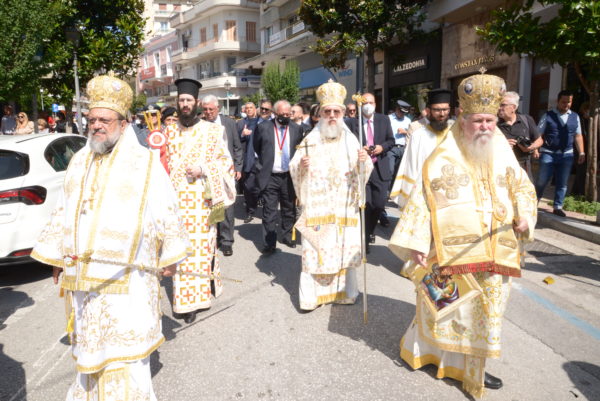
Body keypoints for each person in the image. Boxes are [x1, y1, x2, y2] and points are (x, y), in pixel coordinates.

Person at [30, 73, 190, 400]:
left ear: (123, 123)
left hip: (128, 277)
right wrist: (57, 257)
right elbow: (64, 209)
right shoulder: (79, 161)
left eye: (105, 120)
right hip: (84, 278)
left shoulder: (144, 162)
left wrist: (171, 256)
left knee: (124, 351)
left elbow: (166, 207)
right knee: (91, 347)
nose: (97, 126)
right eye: (92, 120)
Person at [389, 73, 537, 398]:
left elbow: (523, 188)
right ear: (462, 117)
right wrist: (417, 242)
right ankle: (434, 356)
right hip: (451, 251)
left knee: (486, 312)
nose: (485, 127)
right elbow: (423, 199)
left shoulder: (502, 151)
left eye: (490, 120)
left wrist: (525, 216)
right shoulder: (443, 155)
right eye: (477, 120)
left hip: (496, 249)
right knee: (445, 308)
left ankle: (474, 369)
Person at [290, 80, 372, 311]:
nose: (332, 116)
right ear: (321, 114)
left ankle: (345, 293)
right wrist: (302, 166)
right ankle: (312, 297)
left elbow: (364, 170)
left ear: (343, 113)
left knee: (343, 251)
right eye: (328, 111)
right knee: (316, 252)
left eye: (337, 111)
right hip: (319, 209)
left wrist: (363, 163)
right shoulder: (311, 139)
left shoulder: (351, 139)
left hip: (344, 207)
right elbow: (294, 167)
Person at [165, 78, 236, 323]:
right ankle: (185, 302)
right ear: (177, 103)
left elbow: (226, 164)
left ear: (196, 102)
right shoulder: (167, 132)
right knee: (180, 251)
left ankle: (199, 296)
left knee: (200, 252)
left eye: (189, 100)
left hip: (202, 203)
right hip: (175, 204)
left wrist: (203, 169)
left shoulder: (213, 131)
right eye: (181, 100)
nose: (185, 104)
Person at [253, 100, 304, 254]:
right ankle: (269, 243)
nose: (285, 117)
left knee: (289, 208)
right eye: (282, 114)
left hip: (289, 176)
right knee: (270, 210)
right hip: (270, 175)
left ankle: (287, 236)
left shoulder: (296, 128)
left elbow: (299, 149)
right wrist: (262, 166)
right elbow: (257, 147)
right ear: (275, 113)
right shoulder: (263, 127)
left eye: (288, 114)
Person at [390, 89, 453, 208]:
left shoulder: (456, 133)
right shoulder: (418, 136)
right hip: (424, 193)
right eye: (437, 110)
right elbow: (410, 168)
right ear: (428, 111)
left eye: (445, 109)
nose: (442, 114)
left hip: (452, 193)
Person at [201, 94, 243, 257]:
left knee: (227, 207)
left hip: (226, 171)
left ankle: (226, 241)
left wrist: (238, 167)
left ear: (218, 108)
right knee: (211, 206)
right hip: (207, 172)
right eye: (205, 109)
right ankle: (213, 238)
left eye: (211, 109)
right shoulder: (200, 124)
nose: (208, 112)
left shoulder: (229, 123)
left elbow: (237, 147)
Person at [535, 90, 585, 217]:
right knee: (542, 181)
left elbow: (578, 136)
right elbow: (539, 133)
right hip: (548, 152)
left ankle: (558, 206)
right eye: (563, 102)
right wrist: (535, 149)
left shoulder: (575, 116)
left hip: (567, 154)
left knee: (562, 183)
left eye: (569, 102)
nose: (566, 104)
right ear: (558, 101)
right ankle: (534, 202)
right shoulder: (548, 115)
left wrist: (581, 152)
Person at [358, 93, 394, 252]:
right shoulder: (353, 122)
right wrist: (360, 149)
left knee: (378, 205)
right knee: (366, 205)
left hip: (380, 168)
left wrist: (381, 147)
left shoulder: (383, 120)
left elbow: (391, 140)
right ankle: (364, 239)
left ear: (375, 104)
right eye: (365, 102)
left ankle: (369, 231)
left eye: (371, 102)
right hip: (362, 170)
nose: (368, 105)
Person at [497, 91, 542, 180]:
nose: (499, 107)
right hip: (502, 168)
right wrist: (502, 145)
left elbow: (539, 140)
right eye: (498, 104)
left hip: (524, 167)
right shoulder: (494, 123)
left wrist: (531, 147)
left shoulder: (526, 119)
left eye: (502, 105)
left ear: (513, 107)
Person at [238, 101, 260, 223]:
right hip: (249, 159)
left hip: (261, 159)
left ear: (255, 109)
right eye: (247, 108)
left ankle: (257, 204)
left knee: (259, 186)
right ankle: (250, 210)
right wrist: (242, 134)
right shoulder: (241, 123)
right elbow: (236, 140)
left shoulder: (261, 122)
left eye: (251, 107)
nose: (249, 110)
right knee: (248, 186)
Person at [388, 100, 412, 191]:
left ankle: (395, 191)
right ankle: (387, 191)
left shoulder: (408, 120)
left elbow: (411, 133)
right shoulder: (389, 118)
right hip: (391, 148)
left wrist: (405, 132)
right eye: (401, 112)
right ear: (397, 109)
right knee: (390, 170)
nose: (402, 114)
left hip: (402, 148)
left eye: (404, 112)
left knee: (399, 171)